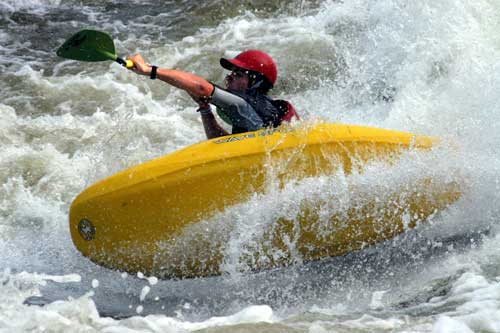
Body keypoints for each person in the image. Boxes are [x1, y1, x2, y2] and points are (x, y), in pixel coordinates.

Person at [127, 50, 299, 139]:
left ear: (256, 84)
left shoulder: (242, 103)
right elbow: (223, 143)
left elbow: (202, 87)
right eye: (231, 72)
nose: (229, 76)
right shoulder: (253, 109)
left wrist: (148, 70)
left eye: (238, 74)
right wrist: (205, 110)